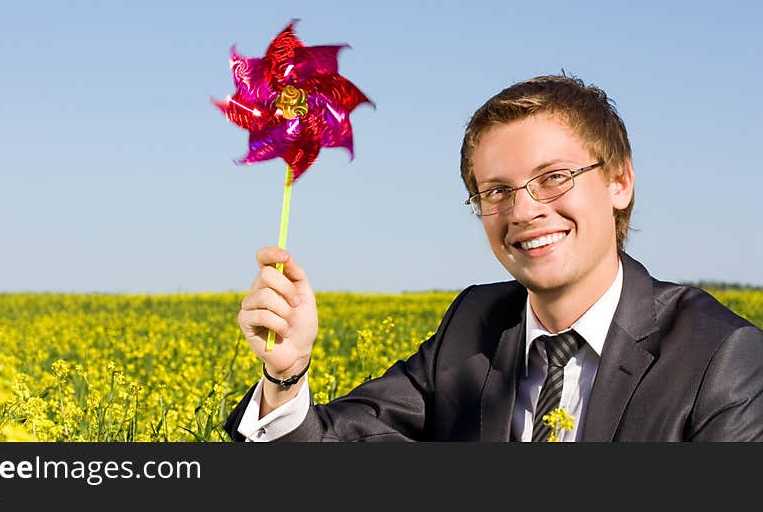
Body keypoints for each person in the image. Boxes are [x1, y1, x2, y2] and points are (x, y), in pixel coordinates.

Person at [223, 73, 763, 441]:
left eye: (553, 178)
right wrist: (287, 375)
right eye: (496, 191)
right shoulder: (471, 330)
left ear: (619, 181)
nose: (524, 211)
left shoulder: (720, 355)